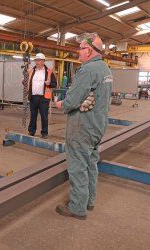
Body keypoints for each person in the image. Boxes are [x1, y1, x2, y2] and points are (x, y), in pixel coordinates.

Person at [55, 33, 113, 220]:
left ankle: (77, 207)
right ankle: (89, 201)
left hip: (83, 126)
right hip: (98, 125)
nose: (77, 52)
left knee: (78, 166)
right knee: (91, 164)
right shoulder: (105, 69)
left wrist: (61, 105)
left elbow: (72, 100)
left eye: (80, 48)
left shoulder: (87, 70)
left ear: (88, 50)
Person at [27, 53, 57, 139]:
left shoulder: (49, 71)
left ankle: (44, 132)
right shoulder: (31, 71)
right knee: (33, 115)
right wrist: (23, 81)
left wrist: (49, 83)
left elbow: (55, 84)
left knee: (44, 116)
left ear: (43, 61)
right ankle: (31, 131)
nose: (37, 62)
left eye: (39, 60)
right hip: (33, 97)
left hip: (44, 98)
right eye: (36, 60)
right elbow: (27, 82)